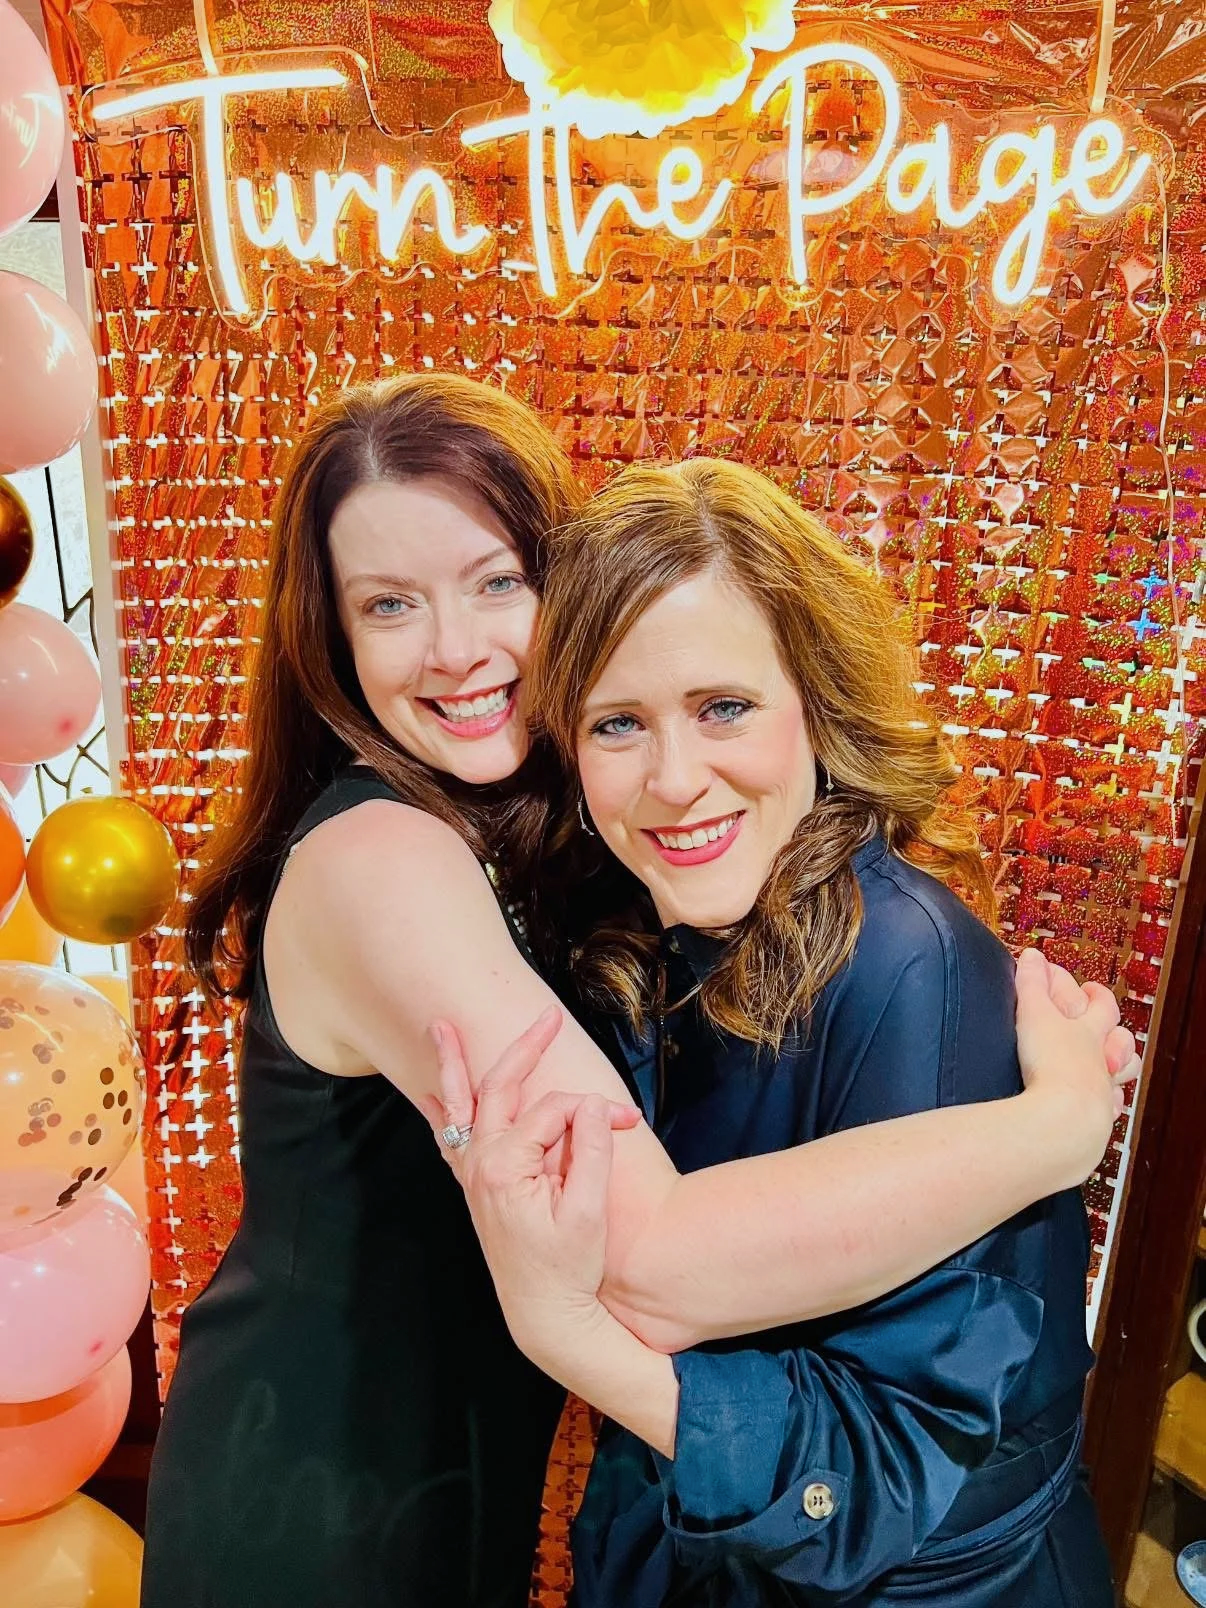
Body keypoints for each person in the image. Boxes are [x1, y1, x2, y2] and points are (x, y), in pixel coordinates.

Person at [142, 374, 1133, 1608]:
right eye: (389, 604)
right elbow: (651, 1253)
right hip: (322, 1475)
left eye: (498, 579)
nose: (456, 647)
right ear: (332, 641)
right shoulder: (381, 859)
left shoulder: (586, 850)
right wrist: (1055, 1130)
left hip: (458, 1455)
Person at [426, 457, 1126, 1606]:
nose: (673, 780)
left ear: (814, 694)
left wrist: (574, 1336)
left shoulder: (908, 965)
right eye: (618, 724)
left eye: (723, 708)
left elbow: (879, 1467)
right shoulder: (633, 932)